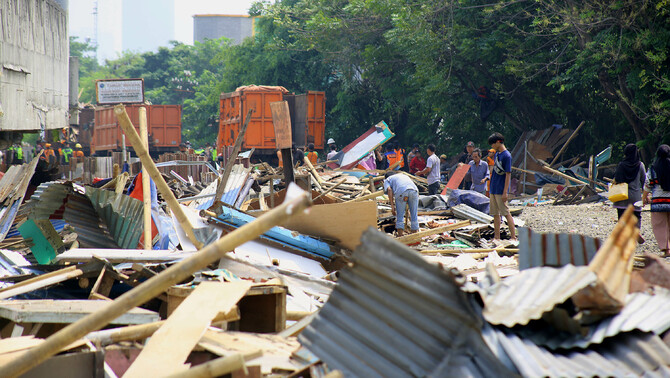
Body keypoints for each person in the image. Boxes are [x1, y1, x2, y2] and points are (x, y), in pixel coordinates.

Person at [612, 143, 646, 243]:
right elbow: (644, 180)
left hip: (622, 196)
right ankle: (636, 231)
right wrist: (645, 195)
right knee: (637, 216)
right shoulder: (640, 165)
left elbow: (617, 179)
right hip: (635, 196)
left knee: (622, 216)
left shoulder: (621, 165)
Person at [643, 145, 670, 256]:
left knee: (659, 225)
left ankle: (666, 249)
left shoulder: (653, 168)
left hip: (658, 202)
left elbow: (648, 184)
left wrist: (644, 197)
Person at [489, 132, 516, 240]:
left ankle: (513, 236)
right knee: (495, 214)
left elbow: (508, 174)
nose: (492, 146)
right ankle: (497, 237)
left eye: (492, 144)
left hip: (501, 189)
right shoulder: (497, 154)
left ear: (497, 142)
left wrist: (505, 192)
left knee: (506, 213)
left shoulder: (507, 156)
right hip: (493, 188)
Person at [383, 171, 419, 236]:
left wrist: (392, 207)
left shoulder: (387, 180)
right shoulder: (403, 175)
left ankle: (400, 236)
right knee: (414, 214)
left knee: (400, 215)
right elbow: (408, 190)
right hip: (414, 190)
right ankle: (415, 235)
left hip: (401, 192)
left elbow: (389, 190)